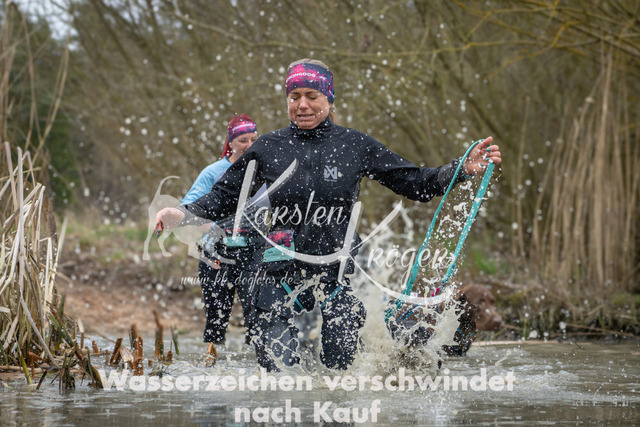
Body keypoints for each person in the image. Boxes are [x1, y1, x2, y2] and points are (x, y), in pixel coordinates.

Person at [154, 59, 502, 371]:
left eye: (311, 96)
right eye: (294, 97)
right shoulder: (268, 148)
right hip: (279, 269)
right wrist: (182, 214)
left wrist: (461, 169)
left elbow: (414, 182)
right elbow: (224, 197)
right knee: (279, 373)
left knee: (340, 372)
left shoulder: (355, 145)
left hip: (337, 270)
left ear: (329, 99)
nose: (302, 104)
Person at [181, 114, 262, 354]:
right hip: (215, 253)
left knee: (257, 317)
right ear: (231, 142)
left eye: (254, 139)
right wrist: (210, 228)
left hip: (253, 252)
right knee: (216, 318)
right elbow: (188, 209)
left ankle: (256, 366)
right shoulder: (213, 172)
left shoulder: (264, 170)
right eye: (243, 140)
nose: (249, 145)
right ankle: (213, 366)